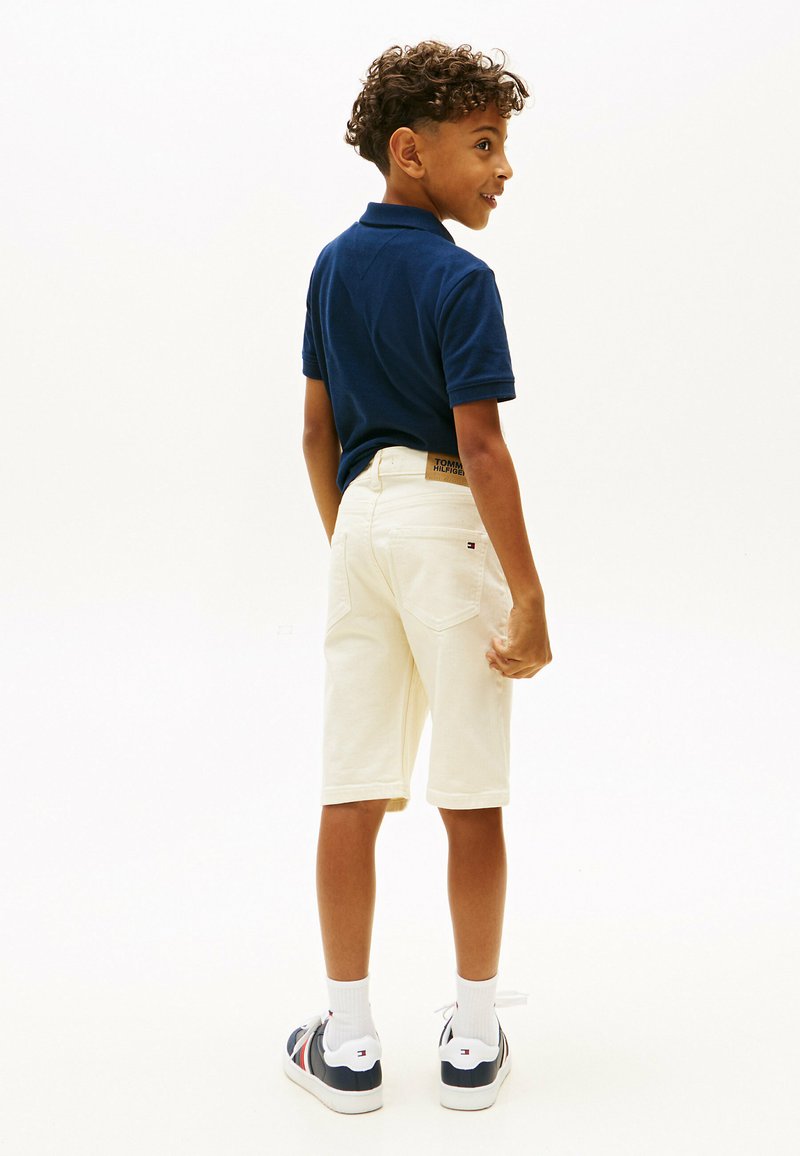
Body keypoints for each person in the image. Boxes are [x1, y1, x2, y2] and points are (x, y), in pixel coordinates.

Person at [282, 41, 552, 1114]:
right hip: (443, 515)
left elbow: (315, 431)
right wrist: (528, 596)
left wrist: (353, 540)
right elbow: (481, 447)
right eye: (482, 144)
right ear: (410, 151)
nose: (503, 167)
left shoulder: (331, 265)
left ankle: (346, 1041)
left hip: (359, 520)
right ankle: (472, 1038)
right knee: (470, 791)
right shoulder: (459, 278)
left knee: (351, 784)